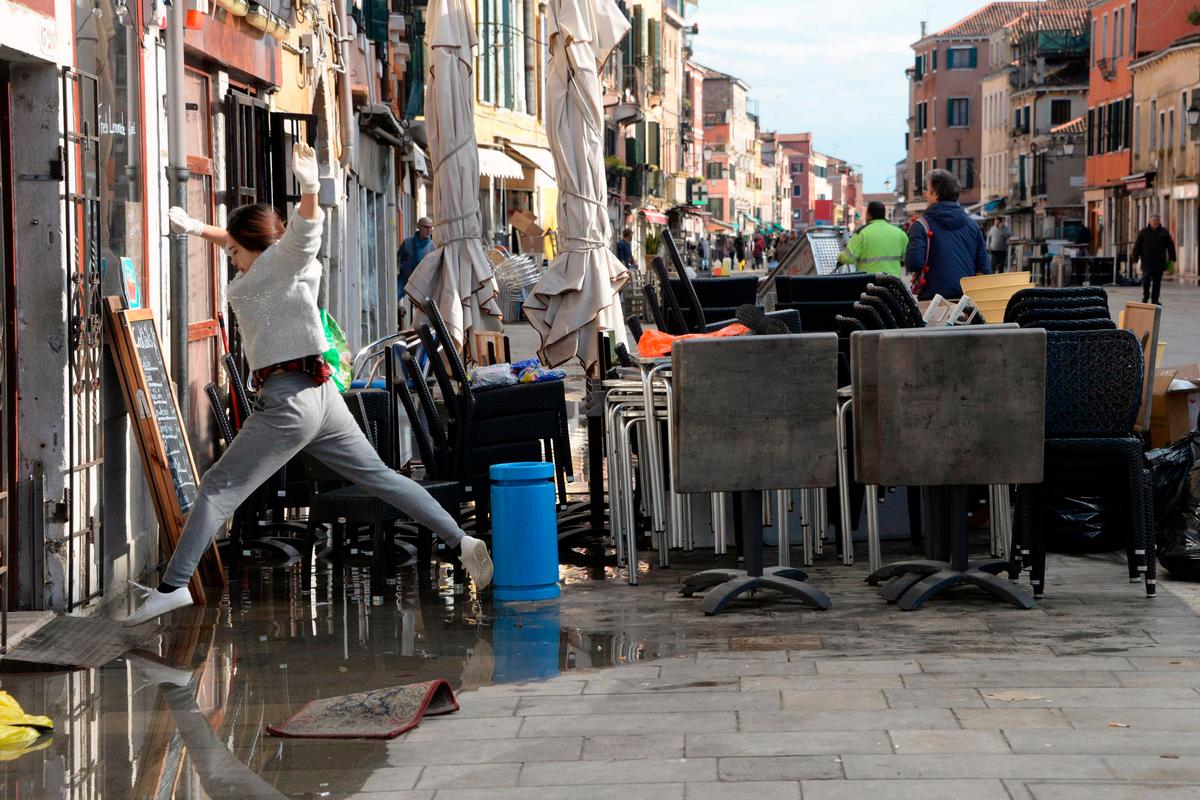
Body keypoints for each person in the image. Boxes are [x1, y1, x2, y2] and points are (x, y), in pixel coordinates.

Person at [130, 143, 492, 626]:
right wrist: (199, 229)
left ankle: (173, 588)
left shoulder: (282, 261)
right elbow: (254, 241)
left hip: (288, 402)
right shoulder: (278, 265)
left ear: (255, 248)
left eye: (234, 251)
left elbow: (304, 231)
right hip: (324, 397)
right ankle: (461, 541)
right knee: (382, 479)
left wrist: (308, 188)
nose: (231, 259)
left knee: (217, 486)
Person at [905, 169, 990, 300]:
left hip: (932, 302)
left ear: (936, 194)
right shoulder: (973, 226)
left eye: (927, 190)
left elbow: (914, 263)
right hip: (965, 302)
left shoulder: (920, 226)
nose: (925, 194)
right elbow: (984, 268)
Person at [837, 200, 909, 277]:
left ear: (868, 215)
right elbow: (907, 259)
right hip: (893, 283)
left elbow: (849, 258)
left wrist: (839, 257)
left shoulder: (862, 233)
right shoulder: (900, 233)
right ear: (883, 214)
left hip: (869, 282)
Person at [1133, 214, 1176, 305]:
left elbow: (1170, 246)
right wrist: (1135, 259)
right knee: (1146, 280)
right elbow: (1137, 247)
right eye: (1154, 220)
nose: (1156, 222)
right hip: (1146, 261)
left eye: (1157, 220)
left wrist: (1172, 258)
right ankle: (1145, 296)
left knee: (1157, 283)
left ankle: (1155, 299)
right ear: (1150, 221)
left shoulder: (1164, 232)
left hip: (1159, 262)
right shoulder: (1143, 232)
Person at [398, 216, 435, 301]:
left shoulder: (433, 246)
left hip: (423, 284)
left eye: (430, 227)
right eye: (426, 227)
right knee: (393, 296)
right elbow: (398, 260)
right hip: (405, 280)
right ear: (418, 226)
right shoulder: (407, 243)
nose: (429, 230)